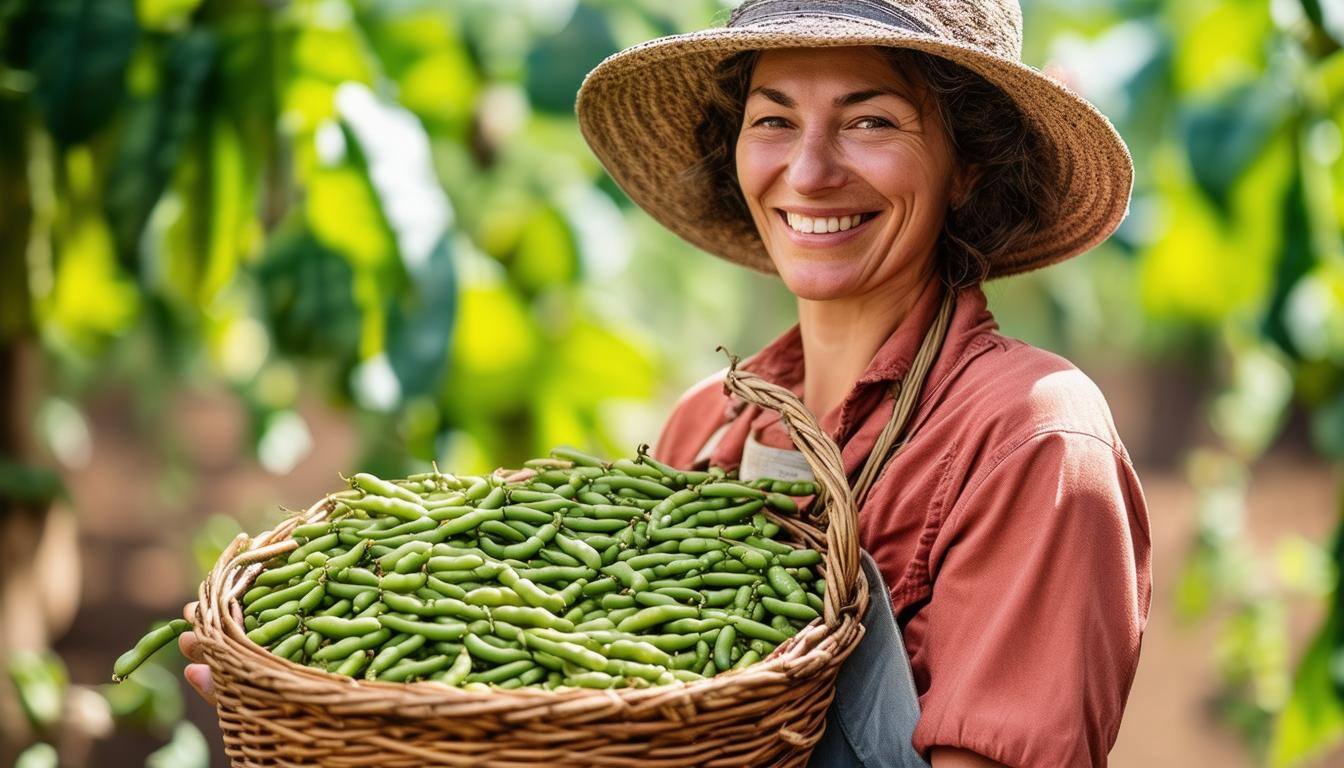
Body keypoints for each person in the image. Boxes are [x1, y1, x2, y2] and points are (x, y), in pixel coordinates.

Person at [182, 1, 1151, 765]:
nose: (809, 170)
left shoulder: (1030, 441)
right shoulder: (708, 432)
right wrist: (331, 687)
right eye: (775, 118)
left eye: (871, 119)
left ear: (971, 165)